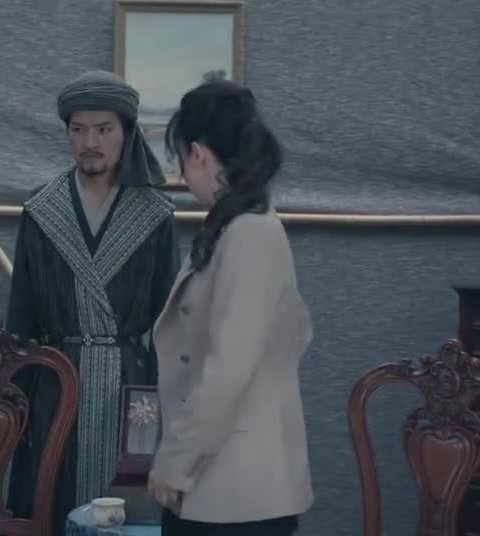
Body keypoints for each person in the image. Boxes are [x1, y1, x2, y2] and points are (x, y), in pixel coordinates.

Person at [4, 70, 180, 535]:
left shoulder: (156, 216)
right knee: (51, 493)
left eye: (103, 129)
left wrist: (176, 409)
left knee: (131, 506)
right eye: (78, 130)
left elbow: (171, 325)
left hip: (135, 385)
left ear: (126, 132)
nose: (90, 142)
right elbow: (21, 318)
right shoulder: (41, 211)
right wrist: (15, 405)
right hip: (57, 382)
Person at [147, 80, 313, 536]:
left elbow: (228, 368)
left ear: (198, 154)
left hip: (237, 489)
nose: (183, 176)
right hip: (219, 480)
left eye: (181, 160)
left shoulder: (249, 233)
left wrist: (175, 460)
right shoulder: (235, 225)